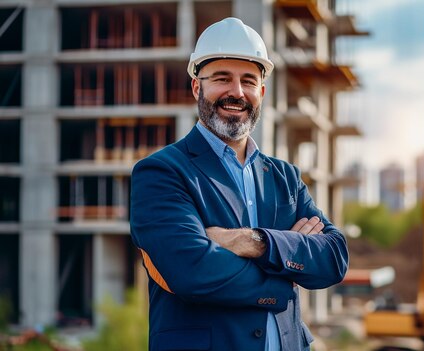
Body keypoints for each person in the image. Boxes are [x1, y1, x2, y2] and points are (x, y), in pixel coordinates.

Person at [130, 17, 349, 351]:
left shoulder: (285, 177)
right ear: (196, 87)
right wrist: (285, 277)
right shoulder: (161, 173)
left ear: (261, 92)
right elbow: (191, 271)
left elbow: (334, 258)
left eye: (249, 81)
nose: (237, 92)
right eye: (222, 79)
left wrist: (257, 242)